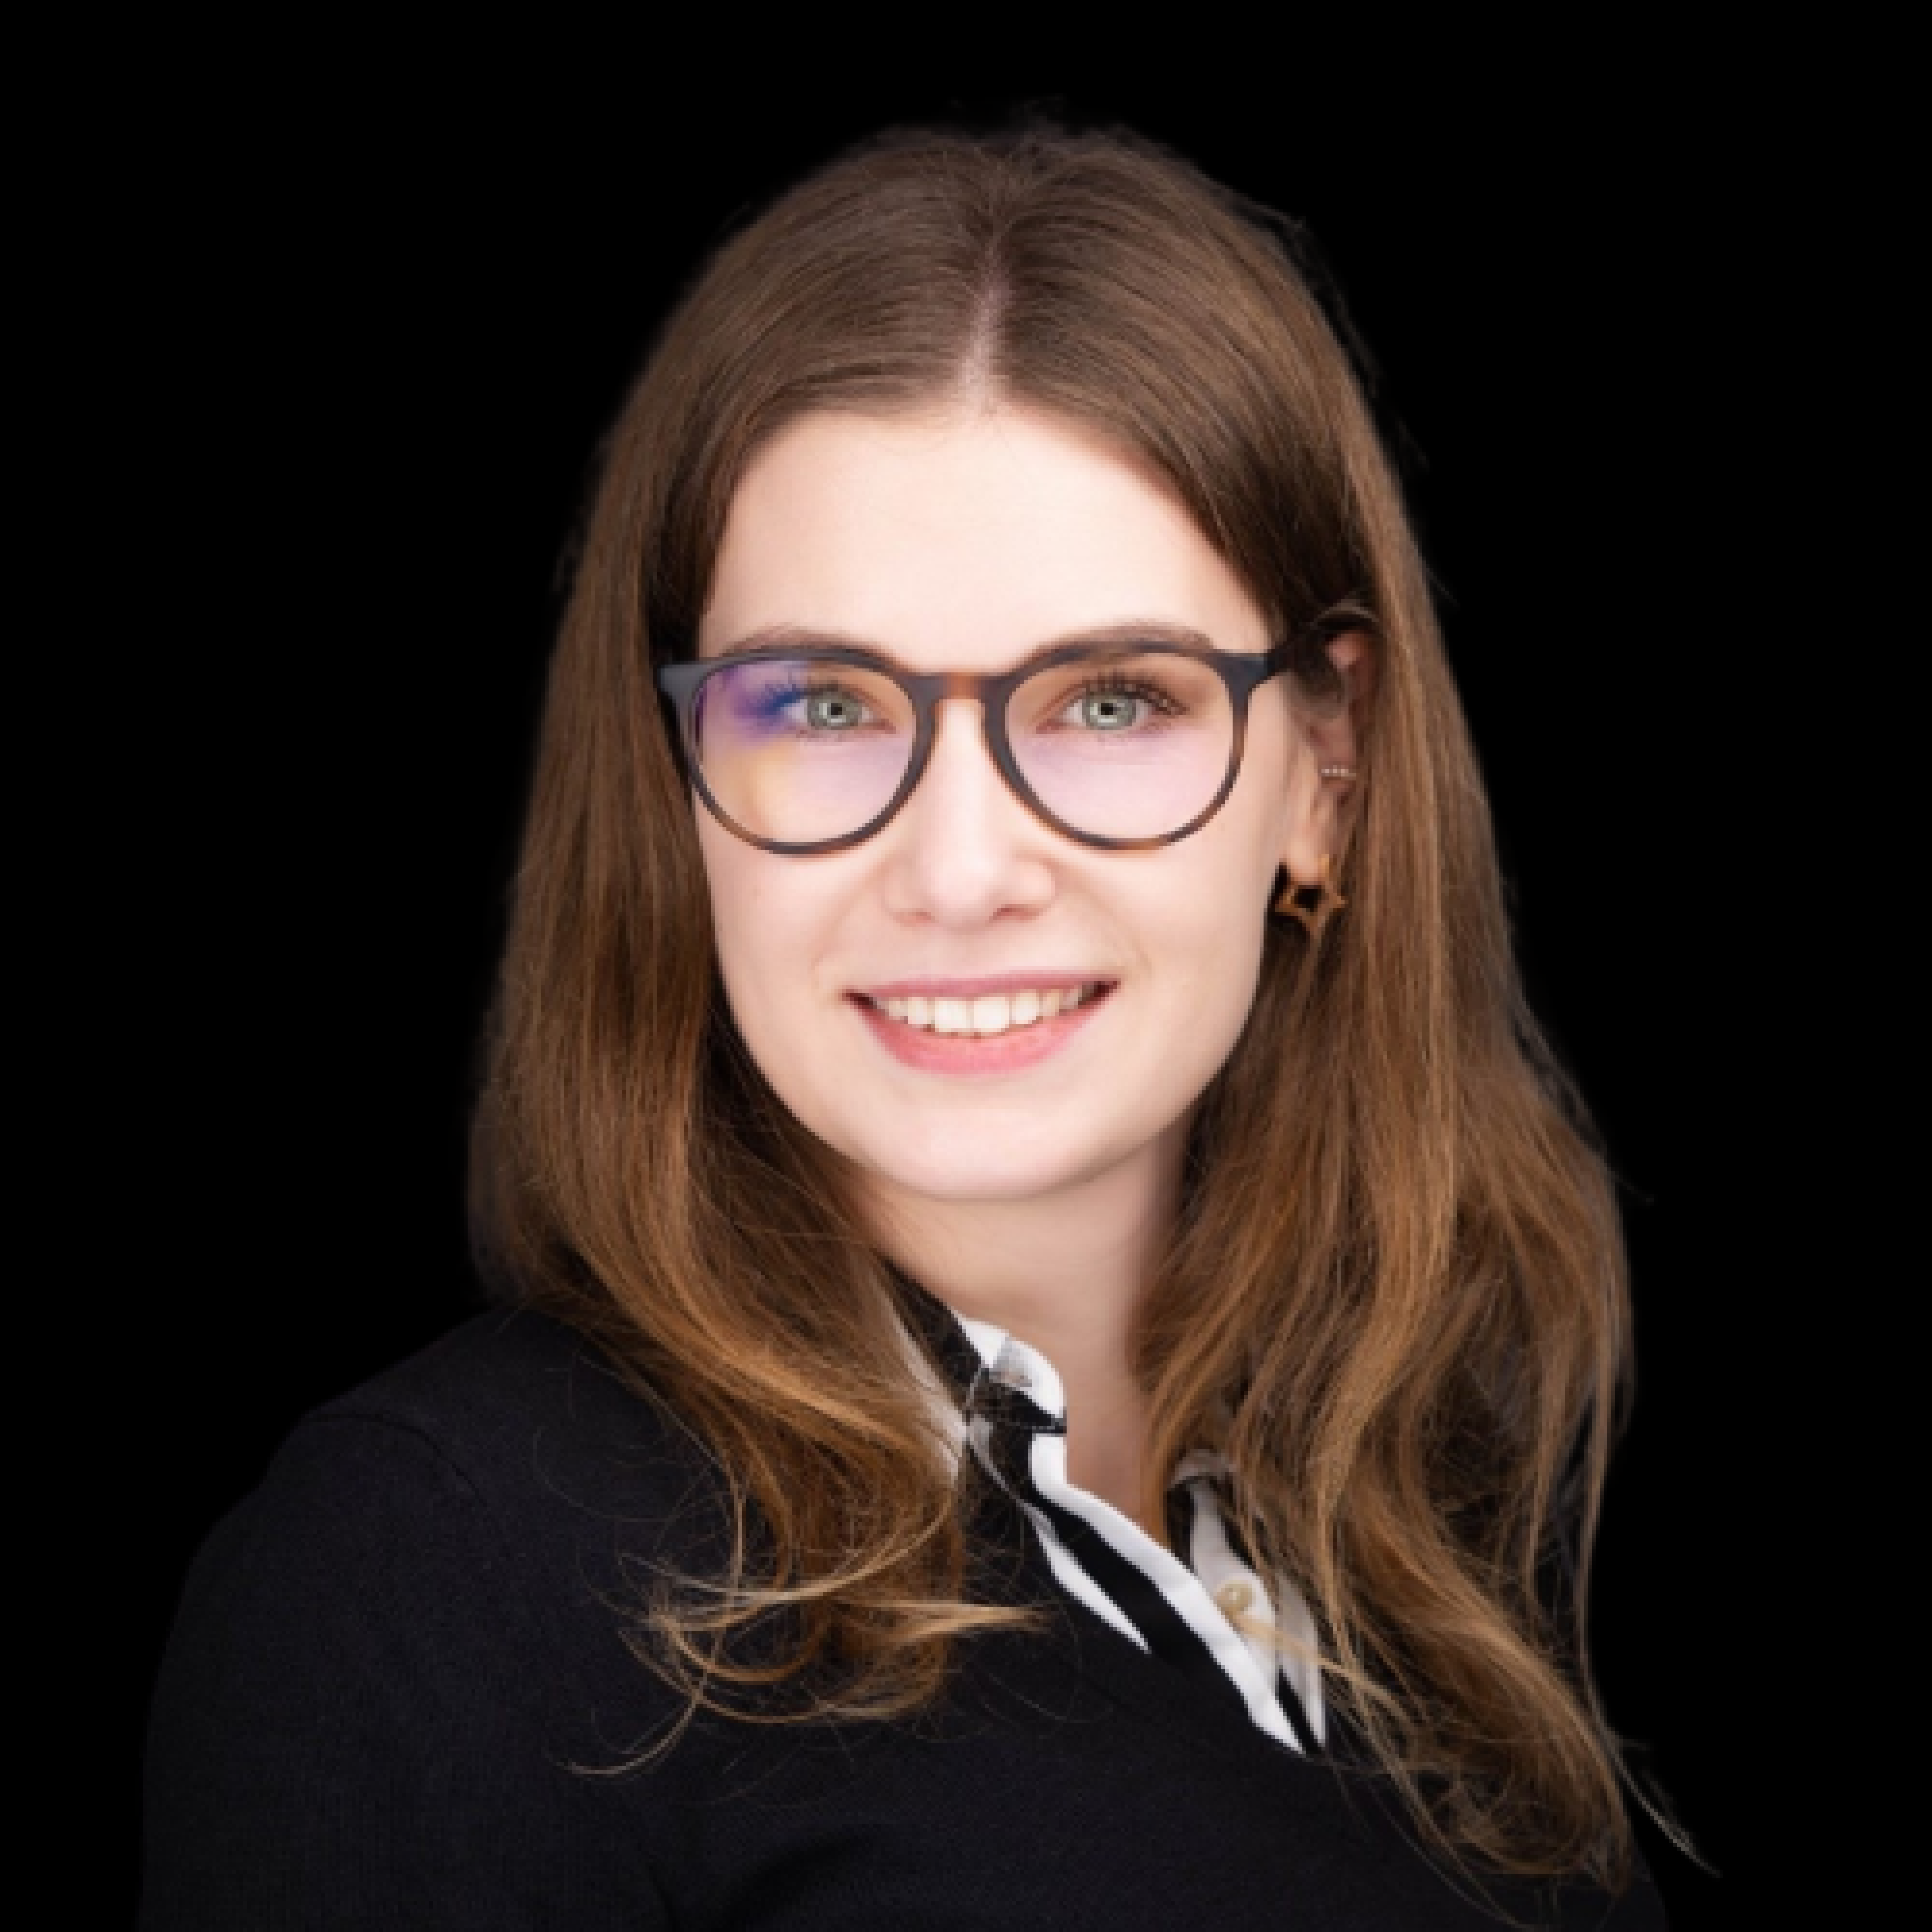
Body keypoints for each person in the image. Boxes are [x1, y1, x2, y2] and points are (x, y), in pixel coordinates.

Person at [141, 122, 1672, 1927]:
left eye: (1111, 700)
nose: (957, 870)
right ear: (676, 779)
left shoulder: (1431, 1521)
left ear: (1321, 773)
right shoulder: (430, 1583)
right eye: (821, 701)